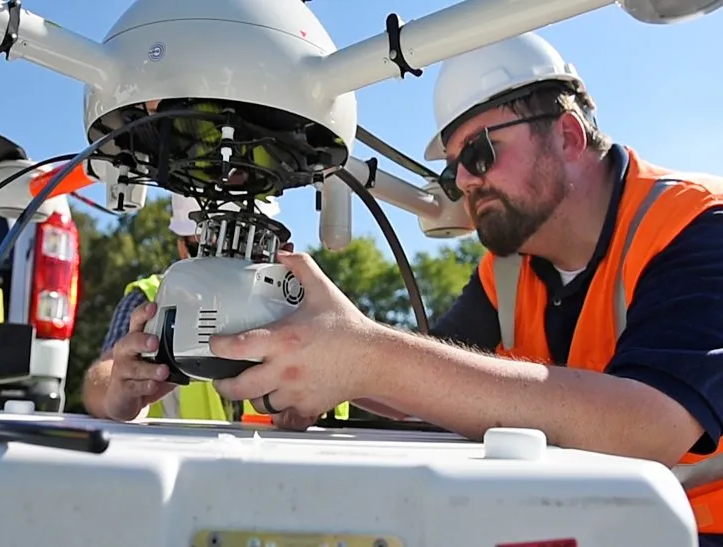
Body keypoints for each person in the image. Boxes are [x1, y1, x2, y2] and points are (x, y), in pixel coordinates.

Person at [203, 32, 723, 545]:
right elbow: (430, 383)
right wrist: (312, 358)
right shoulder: (506, 271)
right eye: (454, 170)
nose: (466, 182)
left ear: (567, 135)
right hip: (581, 522)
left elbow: (652, 427)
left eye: (479, 153)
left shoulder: (695, 224)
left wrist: (370, 356)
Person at [81, 193, 350, 427]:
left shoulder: (313, 308)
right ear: (182, 248)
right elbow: (103, 372)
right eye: (207, 248)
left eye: (249, 249)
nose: (224, 265)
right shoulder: (150, 298)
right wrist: (117, 392)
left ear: (284, 253)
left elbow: (379, 384)